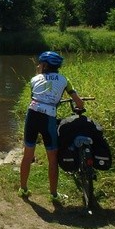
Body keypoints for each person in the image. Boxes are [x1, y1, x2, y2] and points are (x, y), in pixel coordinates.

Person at [18, 51, 84, 203]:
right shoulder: (64, 80)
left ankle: (23, 188)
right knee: (52, 158)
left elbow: (35, 93)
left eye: (40, 63)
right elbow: (79, 102)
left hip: (33, 115)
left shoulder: (34, 79)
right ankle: (53, 194)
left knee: (27, 154)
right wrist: (80, 105)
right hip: (49, 118)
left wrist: (38, 73)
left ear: (44, 65)